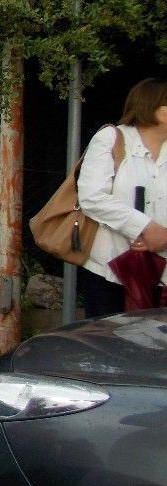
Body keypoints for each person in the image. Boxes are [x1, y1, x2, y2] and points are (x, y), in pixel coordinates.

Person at [78, 77, 167, 316]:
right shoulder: (112, 138)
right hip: (111, 273)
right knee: (111, 348)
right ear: (157, 110)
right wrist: (146, 227)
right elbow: (92, 197)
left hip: (163, 277)